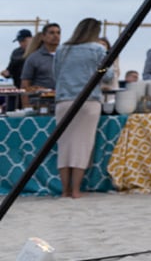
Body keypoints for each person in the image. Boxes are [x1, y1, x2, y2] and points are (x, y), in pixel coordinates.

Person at [53, 18, 114, 198]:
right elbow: (107, 75)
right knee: (82, 145)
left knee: (64, 145)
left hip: (64, 100)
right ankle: (76, 190)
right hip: (88, 101)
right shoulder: (97, 50)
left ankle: (65, 190)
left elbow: (55, 75)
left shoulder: (62, 50)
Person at [21, 23, 61, 105]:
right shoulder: (33, 58)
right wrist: (26, 106)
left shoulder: (66, 56)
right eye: (52, 33)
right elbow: (25, 84)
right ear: (43, 36)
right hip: (40, 103)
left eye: (58, 33)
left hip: (63, 101)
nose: (56, 36)